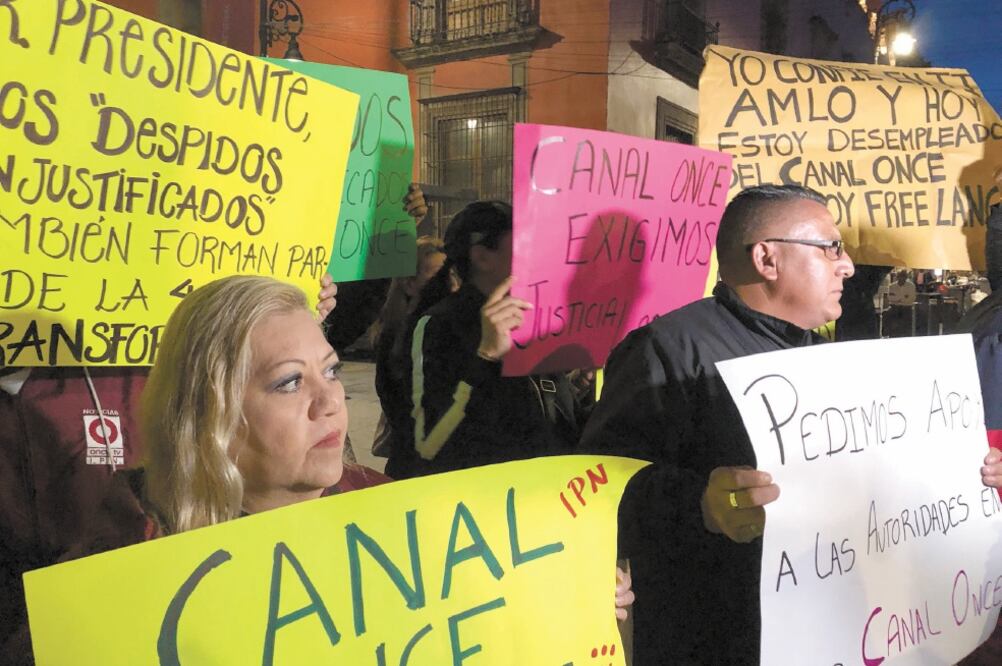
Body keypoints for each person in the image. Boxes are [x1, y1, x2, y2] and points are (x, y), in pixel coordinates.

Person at [581, 184, 854, 664]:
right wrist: (701, 504)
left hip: (812, 632)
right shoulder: (666, 350)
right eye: (831, 247)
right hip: (711, 637)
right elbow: (597, 492)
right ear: (767, 259)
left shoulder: (816, 353)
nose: (846, 265)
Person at [399, 201, 585, 476]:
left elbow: (552, 425)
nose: (537, 253)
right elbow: (429, 445)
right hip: (490, 507)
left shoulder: (535, 316)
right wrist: (486, 357)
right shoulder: (438, 324)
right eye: (523, 244)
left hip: (550, 499)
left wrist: (579, 389)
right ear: (483, 257)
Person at [371, 236, 449, 478]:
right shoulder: (399, 336)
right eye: (437, 275)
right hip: (416, 468)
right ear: (409, 284)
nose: (451, 284)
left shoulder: (443, 328)